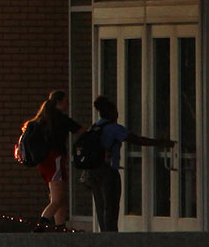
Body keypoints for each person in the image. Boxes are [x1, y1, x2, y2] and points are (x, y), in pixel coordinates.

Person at [83, 94, 175, 232]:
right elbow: (136, 140)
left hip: (93, 172)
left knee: (100, 205)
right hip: (108, 172)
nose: (118, 114)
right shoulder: (114, 128)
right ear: (112, 113)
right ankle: (111, 236)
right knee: (111, 206)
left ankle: (103, 235)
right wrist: (161, 143)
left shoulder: (95, 127)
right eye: (116, 112)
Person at [25, 89, 80, 228]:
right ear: (59, 102)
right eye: (66, 101)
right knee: (57, 199)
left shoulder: (42, 119)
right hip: (55, 159)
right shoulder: (59, 119)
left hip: (44, 162)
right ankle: (41, 225)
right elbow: (80, 131)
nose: (68, 104)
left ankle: (61, 226)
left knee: (59, 196)